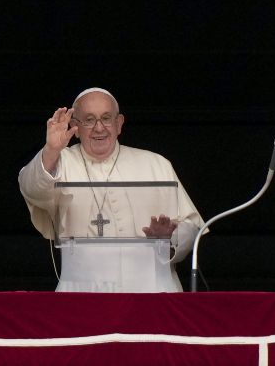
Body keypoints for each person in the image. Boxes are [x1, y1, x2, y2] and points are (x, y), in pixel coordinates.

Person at [18, 87, 205, 292]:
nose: (99, 128)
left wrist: (170, 237)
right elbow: (32, 189)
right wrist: (51, 150)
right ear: (75, 127)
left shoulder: (156, 163)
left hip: (151, 289)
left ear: (119, 123)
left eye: (106, 118)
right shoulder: (59, 162)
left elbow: (192, 225)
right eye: (89, 120)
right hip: (82, 291)